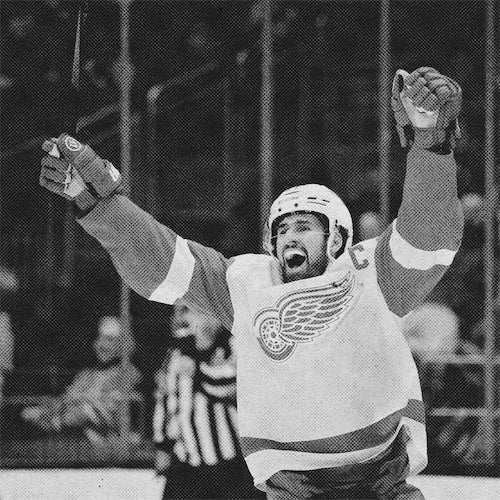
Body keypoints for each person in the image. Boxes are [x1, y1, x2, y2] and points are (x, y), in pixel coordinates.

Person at [39, 67, 464, 498]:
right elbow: (163, 260)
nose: (289, 238)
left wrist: (430, 144)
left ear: (336, 238)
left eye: (304, 227)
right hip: (294, 487)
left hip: (381, 480)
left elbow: (428, 236)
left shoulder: (370, 272)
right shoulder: (247, 285)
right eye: (282, 230)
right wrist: (102, 206)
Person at [153, 301, 261, 499]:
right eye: (186, 312)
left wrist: (198, 370)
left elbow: (230, 386)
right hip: (186, 460)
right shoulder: (176, 350)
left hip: (229, 462)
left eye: (203, 312)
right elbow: (167, 400)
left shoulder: (233, 344)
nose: (191, 319)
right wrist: (162, 445)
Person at [21, 316, 141, 443]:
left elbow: (103, 413)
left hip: (112, 443)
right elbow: (65, 399)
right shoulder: (86, 373)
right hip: (78, 438)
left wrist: (56, 417)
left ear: (123, 345)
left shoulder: (129, 373)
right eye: (100, 338)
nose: (102, 345)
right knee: (29, 413)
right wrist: (47, 410)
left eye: (110, 340)